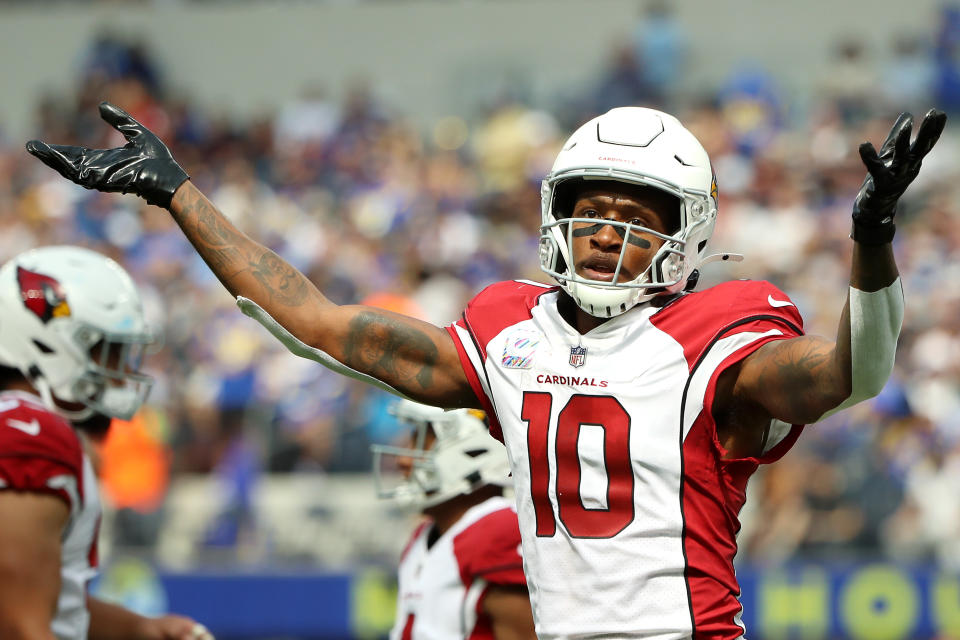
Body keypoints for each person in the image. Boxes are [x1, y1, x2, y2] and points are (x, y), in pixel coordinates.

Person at [27, 103, 946, 639]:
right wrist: (178, 193)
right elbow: (312, 324)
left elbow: (852, 375)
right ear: (554, 212)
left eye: (639, 215)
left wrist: (871, 243)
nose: (607, 229)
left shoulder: (723, 330)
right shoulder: (514, 330)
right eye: (592, 207)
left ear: (688, 233)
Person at [0, 245, 213, 640]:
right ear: (51, 345)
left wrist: (138, 628)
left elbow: (40, 597)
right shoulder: (29, 433)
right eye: (109, 352)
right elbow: (18, 626)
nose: (119, 373)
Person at [371, 400, 535, 640]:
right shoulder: (425, 535)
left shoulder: (499, 532)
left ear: (471, 448)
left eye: (421, 440)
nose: (403, 460)